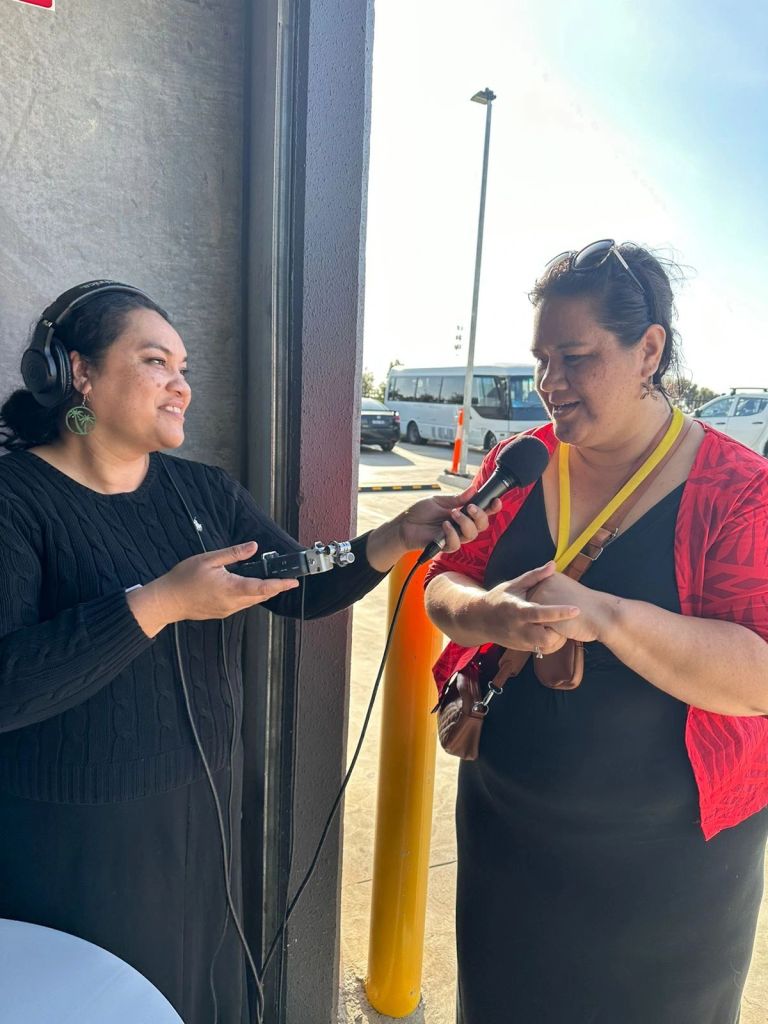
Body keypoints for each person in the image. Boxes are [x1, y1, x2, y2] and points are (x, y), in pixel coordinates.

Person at [0, 282, 499, 1024]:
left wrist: (394, 536)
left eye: (184, 368)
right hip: (71, 841)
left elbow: (298, 587)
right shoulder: (15, 499)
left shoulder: (204, 493)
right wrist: (160, 603)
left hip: (199, 813)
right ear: (77, 373)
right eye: (156, 362)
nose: (181, 386)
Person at [424, 240, 768, 1024]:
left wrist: (605, 615)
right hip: (505, 833)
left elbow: (758, 679)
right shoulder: (520, 462)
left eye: (575, 358)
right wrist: (485, 613)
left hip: (671, 875)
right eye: (541, 360)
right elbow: (443, 582)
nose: (550, 383)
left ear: (648, 350)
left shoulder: (738, 490)